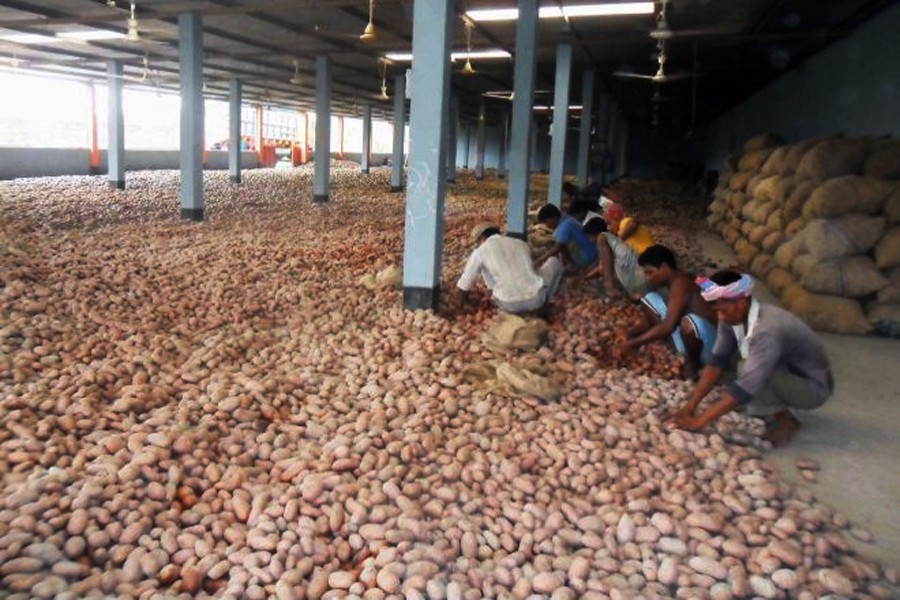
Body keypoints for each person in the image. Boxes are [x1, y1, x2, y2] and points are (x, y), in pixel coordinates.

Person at [670, 270, 834, 446]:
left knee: (745, 369)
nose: (720, 317)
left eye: (723, 310)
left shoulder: (767, 329)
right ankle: (767, 403)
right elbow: (716, 363)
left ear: (741, 302)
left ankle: (784, 418)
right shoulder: (732, 317)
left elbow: (746, 386)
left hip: (813, 388)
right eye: (717, 311)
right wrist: (691, 405)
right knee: (737, 367)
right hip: (786, 371)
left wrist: (699, 422)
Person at [620, 245, 718, 379]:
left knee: (688, 322)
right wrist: (630, 333)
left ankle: (693, 364)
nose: (648, 278)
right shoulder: (680, 279)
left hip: (712, 347)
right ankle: (679, 349)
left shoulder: (681, 283)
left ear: (664, 267)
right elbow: (651, 319)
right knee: (649, 299)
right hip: (700, 337)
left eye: (650, 272)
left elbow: (668, 326)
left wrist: (634, 343)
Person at [457, 223, 564, 315]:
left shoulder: (480, 251)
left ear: (482, 238)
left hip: (507, 304)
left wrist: (463, 304)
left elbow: (464, 285)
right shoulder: (521, 243)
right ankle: (545, 303)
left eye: (478, 241)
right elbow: (528, 268)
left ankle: (498, 298)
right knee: (554, 262)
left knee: (485, 266)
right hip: (536, 300)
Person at [581, 217, 648, 298]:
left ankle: (616, 289)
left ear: (596, 233)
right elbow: (601, 267)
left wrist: (609, 286)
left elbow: (604, 268)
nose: (590, 240)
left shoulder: (602, 238)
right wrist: (587, 277)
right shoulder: (612, 239)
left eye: (590, 236)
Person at [535, 204, 599, 270]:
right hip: (590, 253)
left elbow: (556, 248)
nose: (546, 225)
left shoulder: (565, 226)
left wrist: (540, 260)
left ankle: (574, 267)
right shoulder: (567, 220)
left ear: (554, 217)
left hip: (588, 257)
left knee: (559, 246)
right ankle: (570, 265)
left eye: (546, 222)